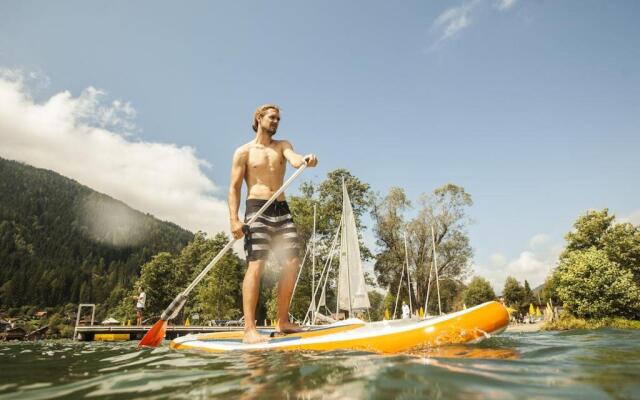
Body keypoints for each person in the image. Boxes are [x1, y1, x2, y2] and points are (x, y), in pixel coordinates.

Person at [228, 104, 318, 344]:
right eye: (272, 117)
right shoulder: (243, 152)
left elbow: (294, 157)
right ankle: (249, 329)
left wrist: (304, 161)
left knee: (291, 262)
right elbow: (234, 188)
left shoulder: (282, 146)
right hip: (257, 209)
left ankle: (283, 321)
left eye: (279, 118)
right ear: (259, 118)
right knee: (256, 265)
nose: (276, 121)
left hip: (281, 209)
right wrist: (234, 219)